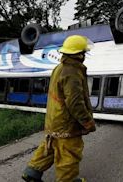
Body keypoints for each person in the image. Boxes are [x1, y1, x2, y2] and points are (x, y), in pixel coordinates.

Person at [22, 35, 96, 182]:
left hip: (54, 119)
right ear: (79, 54)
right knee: (69, 153)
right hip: (66, 123)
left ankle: (31, 173)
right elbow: (75, 103)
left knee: (50, 146)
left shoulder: (60, 67)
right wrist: (87, 122)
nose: (84, 56)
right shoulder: (72, 72)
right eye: (83, 53)